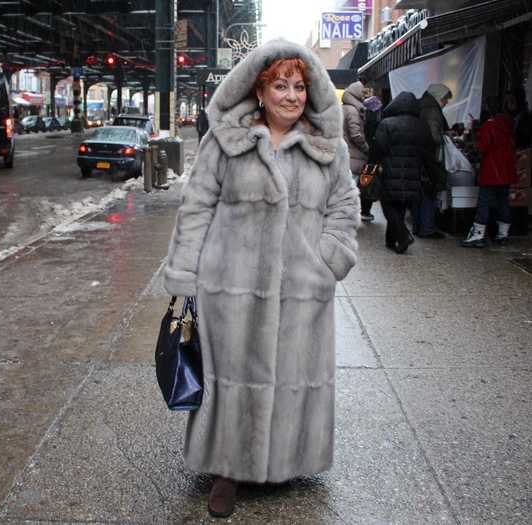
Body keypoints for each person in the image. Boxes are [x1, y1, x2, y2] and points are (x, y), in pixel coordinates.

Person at [163, 39, 360, 518]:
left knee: (293, 373)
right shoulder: (225, 142)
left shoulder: (326, 149)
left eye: (298, 86)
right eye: (280, 85)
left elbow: (345, 208)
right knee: (231, 377)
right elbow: (196, 208)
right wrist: (186, 274)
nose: (291, 96)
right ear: (259, 89)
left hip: (301, 292)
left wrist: (326, 261)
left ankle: (286, 459)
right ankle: (228, 470)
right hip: (229, 290)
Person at [372, 92, 434, 254]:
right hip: (413, 173)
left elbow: (378, 148)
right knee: (400, 206)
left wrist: (373, 165)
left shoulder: (387, 124)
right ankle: (391, 240)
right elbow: (429, 152)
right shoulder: (422, 126)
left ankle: (403, 236)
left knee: (388, 205)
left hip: (389, 171)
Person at [461, 96, 516, 247]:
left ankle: (478, 234)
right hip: (506, 170)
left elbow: (482, 146)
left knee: (484, 201)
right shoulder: (508, 124)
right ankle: (503, 234)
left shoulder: (490, 126)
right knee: (503, 201)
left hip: (492, 169)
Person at [415, 83, 452, 239]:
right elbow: (434, 136)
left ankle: (419, 226)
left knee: (420, 193)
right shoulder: (432, 110)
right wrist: (445, 138)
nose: (446, 103)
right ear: (438, 97)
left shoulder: (422, 105)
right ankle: (427, 228)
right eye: (444, 99)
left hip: (420, 156)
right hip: (430, 157)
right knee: (429, 191)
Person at [342, 80, 372, 221]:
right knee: (350, 190)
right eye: (363, 93)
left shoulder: (345, 108)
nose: (365, 96)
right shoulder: (353, 110)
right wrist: (367, 148)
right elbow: (355, 135)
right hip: (353, 156)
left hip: (346, 155)